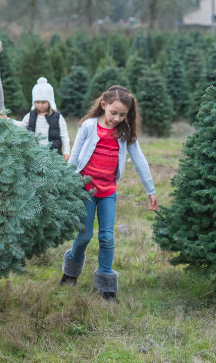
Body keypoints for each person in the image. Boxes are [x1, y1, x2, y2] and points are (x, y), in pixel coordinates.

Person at [59, 85, 159, 302]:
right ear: (103, 105)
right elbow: (75, 156)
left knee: (107, 237)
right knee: (84, 236)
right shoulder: (88, 126)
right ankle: (71, 271)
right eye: (114, 113)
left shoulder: (125, 133)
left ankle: (106, 287)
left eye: (123, 115)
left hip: (108, 192)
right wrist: (64, 183)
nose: (117, 118)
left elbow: (139, 160)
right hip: (85, 190)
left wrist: (150, 190)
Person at [17, 77, 70, 160]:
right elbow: (22, 125)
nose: (40, 105)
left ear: (50, 101)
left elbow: (64, 134)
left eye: (43, 102)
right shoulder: (31, 115)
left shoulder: (57, 116)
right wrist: (7, 120)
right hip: (35, 154)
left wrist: (66, 150)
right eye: (37, 102)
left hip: (53, 155)